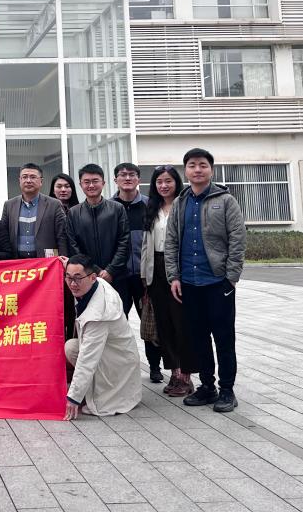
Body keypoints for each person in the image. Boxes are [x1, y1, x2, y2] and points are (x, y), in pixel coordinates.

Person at [165, 148, 246, 413]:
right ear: (185, 171)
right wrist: (173, 276)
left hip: (218, 282)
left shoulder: (226, 201)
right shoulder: (180, 202)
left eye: (202, 165)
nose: (197, 170)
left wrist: (231, 278)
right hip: (189, 282)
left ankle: (227, 390)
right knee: (198, 339)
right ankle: (207, 386)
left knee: (224, 339)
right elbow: (171, 241)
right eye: (192, 165)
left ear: (211, 169)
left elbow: (237, 239)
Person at [140, 165, 196, 397]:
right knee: (164, 325)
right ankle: (174, 372)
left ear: (176, 183)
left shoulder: (185, 206)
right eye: (159, 182)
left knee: (182, 324)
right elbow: (146, 245)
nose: (163, 186)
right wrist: (145, 278)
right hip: (155, 270)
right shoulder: (152, 208)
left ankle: (186, 376)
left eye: (168, 181)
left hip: (179, 270)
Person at [63, 256, 142, 418]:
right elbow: (79, 271)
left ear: (93, 277)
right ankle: (88, 388)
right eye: (68, 277)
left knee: (97, 401)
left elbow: (87, 359)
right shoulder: (94, 283)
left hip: (117, 363)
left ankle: (99, 393)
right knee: (71, 347)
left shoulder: (99, 312)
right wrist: (67, 264)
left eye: (77, 278)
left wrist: (73, 397)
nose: (72, 284)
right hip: (109, 353)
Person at [111, 162, 163, 383]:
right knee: (116, 324)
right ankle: (118, 369)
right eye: (122, 175)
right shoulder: (109, 207)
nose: (127, 178)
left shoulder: (151, 205)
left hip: (144, 276)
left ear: (138, 179)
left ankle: (155, 367)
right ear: (115, 180)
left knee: (150, 321)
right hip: (118, 277)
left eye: (132, 175)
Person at [66, 163, 130, 307]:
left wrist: (110, 271)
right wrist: (94, 271)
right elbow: (73, 246)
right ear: (80, 185)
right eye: (86, 182)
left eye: (95, 181)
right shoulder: (73, 213)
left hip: (116, 277)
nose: (91, 185)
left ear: (103, 183)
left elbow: (124, 242)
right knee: (90, 316)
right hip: (86, 279)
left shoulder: (117, 209)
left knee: (118, 314)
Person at [2, 164, 69, 260]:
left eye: (33, 177)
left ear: (41, 181)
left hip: (46, 262)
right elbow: (3, 237)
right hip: (17, 262)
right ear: (19, 180)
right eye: (24, 177)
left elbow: (62, 236)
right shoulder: (9, 205)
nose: (28, 180)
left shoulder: (54, 204)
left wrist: (63, 260)